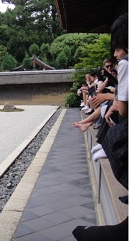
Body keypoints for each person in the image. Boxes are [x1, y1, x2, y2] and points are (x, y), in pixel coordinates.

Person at [73, 12, 128, 241]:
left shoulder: (125, 65)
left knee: (112, 123)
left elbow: (124, 108)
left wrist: (108, 96)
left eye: (116, 49)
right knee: (104, 109)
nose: (115, 57)